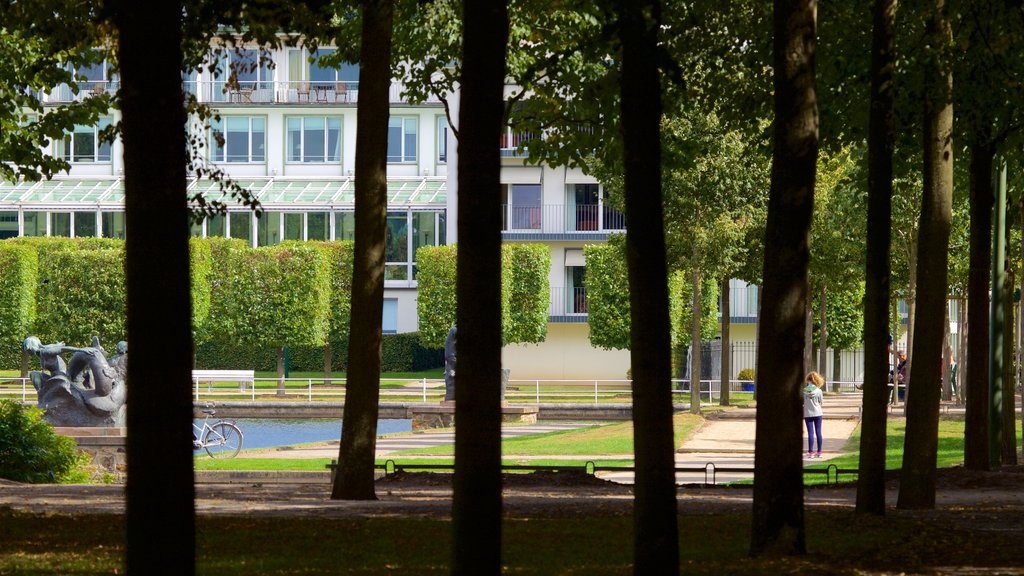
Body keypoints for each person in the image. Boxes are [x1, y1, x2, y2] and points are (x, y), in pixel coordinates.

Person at [803, 371, 824, 458]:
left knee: (810, 433)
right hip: (818, 413)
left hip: (808, 413)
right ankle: (819, 452)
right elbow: (821, 402)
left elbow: (803, 401)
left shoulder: (804, 391)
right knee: (818, 432)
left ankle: (810, 452)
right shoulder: (819, 391)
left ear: (808, 380)